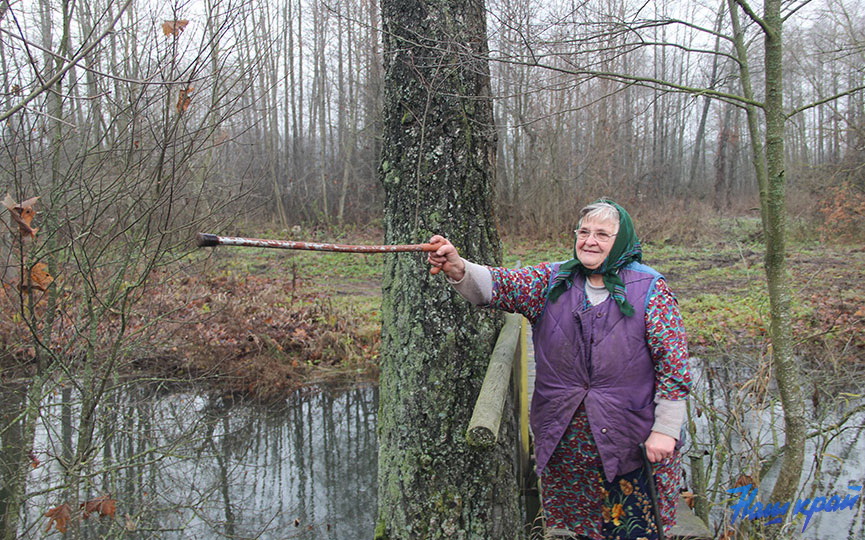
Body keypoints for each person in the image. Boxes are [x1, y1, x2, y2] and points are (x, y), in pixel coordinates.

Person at [427, 199, 691, 540]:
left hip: (630, 441)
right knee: (579, 530)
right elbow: (501, 284)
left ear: (621, 240)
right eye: (584, 232)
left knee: (634, 529)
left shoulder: (650, 290)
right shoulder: (553, 280)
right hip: (568, 441)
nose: (589, 241)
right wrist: (457, 267)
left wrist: (666, 429)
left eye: (602, 234)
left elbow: (674, 365)